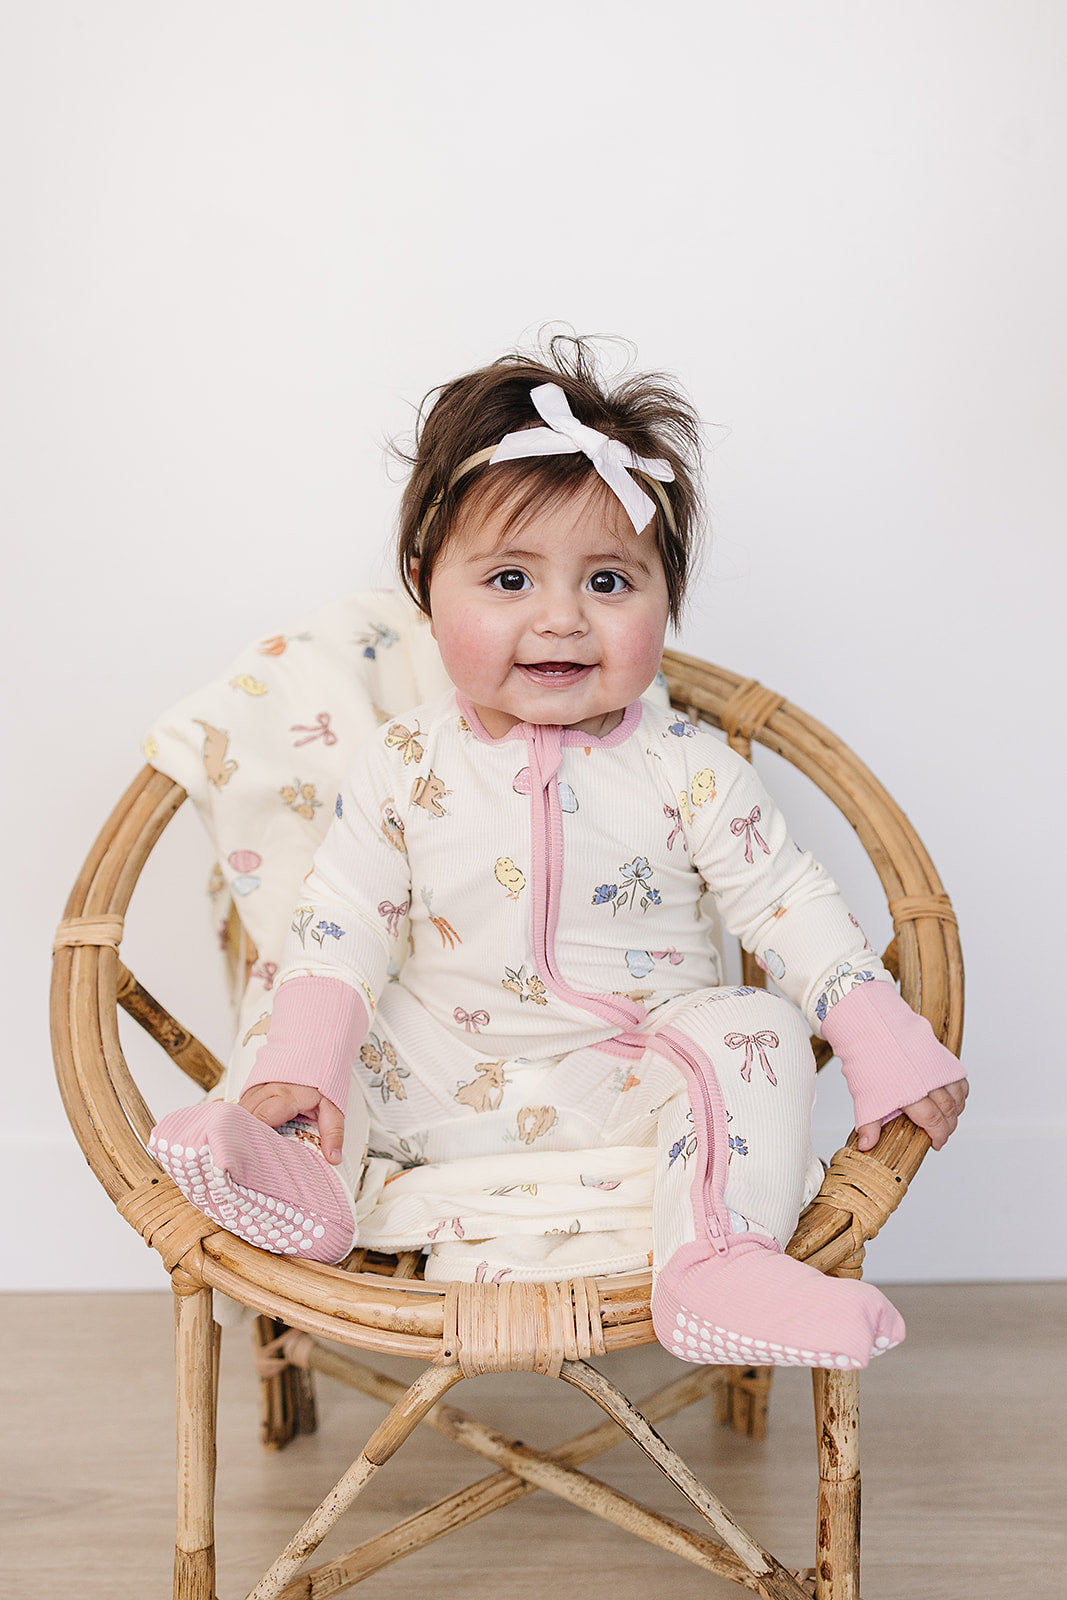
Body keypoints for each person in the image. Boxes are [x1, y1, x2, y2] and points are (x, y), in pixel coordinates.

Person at [150, 338, 967, 1370]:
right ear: (424, 588)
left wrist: (879, 1035)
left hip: (631, 1081)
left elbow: (785, 900)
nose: (561, 620)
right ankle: (301, 1175)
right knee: (306, 998)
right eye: (508, 578)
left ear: (666, 596)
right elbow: (344, 917)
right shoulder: (402, 760)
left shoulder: (688, 765)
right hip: (437, 1074)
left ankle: (717, 1260)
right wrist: (303, 1066)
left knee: (752, 1026)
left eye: (609, 580)